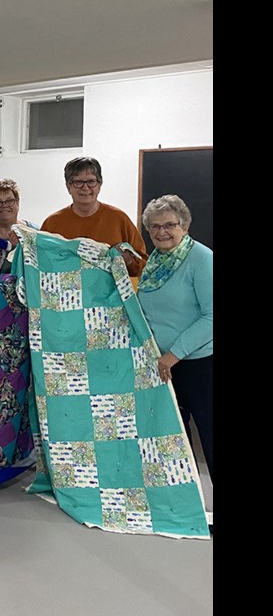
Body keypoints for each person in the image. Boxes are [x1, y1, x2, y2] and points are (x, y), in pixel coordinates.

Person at [136, 195, 212, 480]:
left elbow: (212, 317)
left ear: (185, 226)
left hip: (199, 364)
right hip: (165, 366)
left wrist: (173, 354)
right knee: (176, 442)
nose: (161, 232)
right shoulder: (156, 261)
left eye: (169, 225)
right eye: (154, 226)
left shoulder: (201, 259)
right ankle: (188, 507)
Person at [41, 157, 148, 276]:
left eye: (91, 181)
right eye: (78, 182)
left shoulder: (119, 219)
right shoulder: (52, 223)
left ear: (100, 185)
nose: (85, 188)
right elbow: (41, 265)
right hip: (65, 294)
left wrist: (128, 261)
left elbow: (145, 268)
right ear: (68, 187)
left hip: (111, 293)